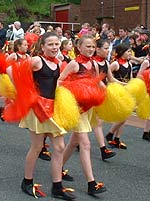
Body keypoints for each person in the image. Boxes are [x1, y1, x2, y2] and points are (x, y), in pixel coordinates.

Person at [6, 32, 75, 200]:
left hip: (52, 108)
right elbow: (10, 69)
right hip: (37, 108)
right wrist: (24, 92)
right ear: (42, 46)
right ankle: (27, 181)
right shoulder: (37, 60)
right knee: (37, 147)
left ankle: (57, 186)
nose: (54, 47)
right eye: (50, 44)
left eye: (56, 44)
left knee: (59, 148)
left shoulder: (58, 63)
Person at [58, 34, 107, 195]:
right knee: (85, 144)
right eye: (88, 46)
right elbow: (60, 81)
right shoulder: (73, 64)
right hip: (77, 109)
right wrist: (72, 92)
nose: (91, 49)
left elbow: (97, 81)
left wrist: (109, 92)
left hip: (89, 108)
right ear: (79, 47)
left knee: (73, 143)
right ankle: (91, 183)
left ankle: (58, 169)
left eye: (93, 47)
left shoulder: (94, 63)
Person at [92, 39, 117, 160]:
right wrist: (107, 91)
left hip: (102, 94)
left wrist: (126, 85)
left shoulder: (106, 63)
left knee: (85, 126)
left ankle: (77, 143)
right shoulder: (93, 63)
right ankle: (103, 149)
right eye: (106, 48)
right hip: (93, 95)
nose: (108, 51)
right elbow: (96, 81)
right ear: (97, 49)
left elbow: (111, 79)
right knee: (97, 122)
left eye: (109, 48)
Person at [106, 44, 133, 149]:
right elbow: (108, 77)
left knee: (124, 117)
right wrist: (120, 84)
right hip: (117, 92)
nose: (130, 53)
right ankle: (110, 133)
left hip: (125, 92)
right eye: (128, 51)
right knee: (123, 116)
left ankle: (117, 139)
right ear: (121, 53)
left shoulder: (129, 64)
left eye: (130, 51)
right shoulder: (115, 64)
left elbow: (130, 78)